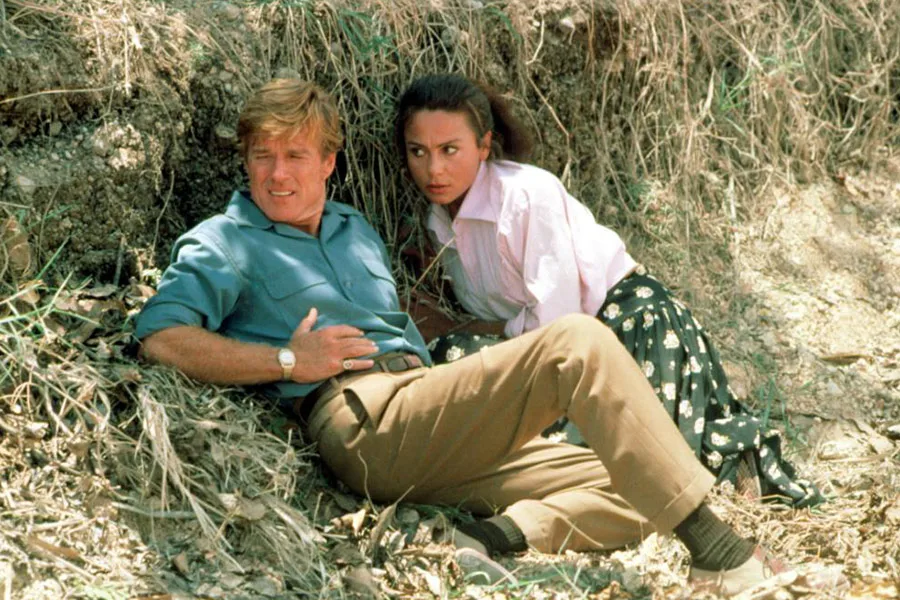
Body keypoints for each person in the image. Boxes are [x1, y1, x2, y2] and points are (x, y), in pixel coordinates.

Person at [134, 77, 837, 596]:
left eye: (295, 155)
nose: (278, 173)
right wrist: (289, 359)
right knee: (576, 343)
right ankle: (722, 556)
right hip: (363, 420)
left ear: (329, 162)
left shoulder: (355, 230)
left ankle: (495, 535)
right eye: (262, 156)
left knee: (639, 474)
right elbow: (160, 338)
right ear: (246, 162)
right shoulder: (224, 241)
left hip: (427, 411)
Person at [394, 73, 822, 508]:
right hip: (562, 347)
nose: (434, 169)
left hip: (631, 329)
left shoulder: (524, 195)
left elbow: (558, 321)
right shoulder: (438, 222)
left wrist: (465, 328)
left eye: (450, 150)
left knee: (644, 472)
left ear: (484, 146)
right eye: (418, 152)